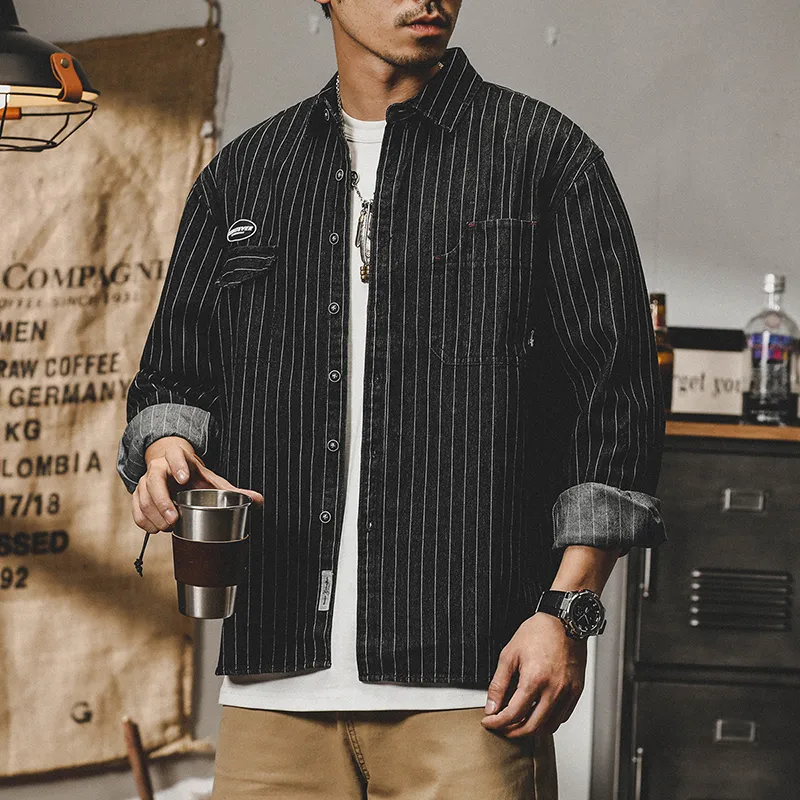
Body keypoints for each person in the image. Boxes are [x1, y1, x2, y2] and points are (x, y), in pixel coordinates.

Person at [117, 0, 666, 796]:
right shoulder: (247, 172)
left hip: (474, 682)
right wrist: (166, 448)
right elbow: (173, 378)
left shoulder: (544, 154)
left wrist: (567, 611)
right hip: (273, 679)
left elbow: (615, 402)